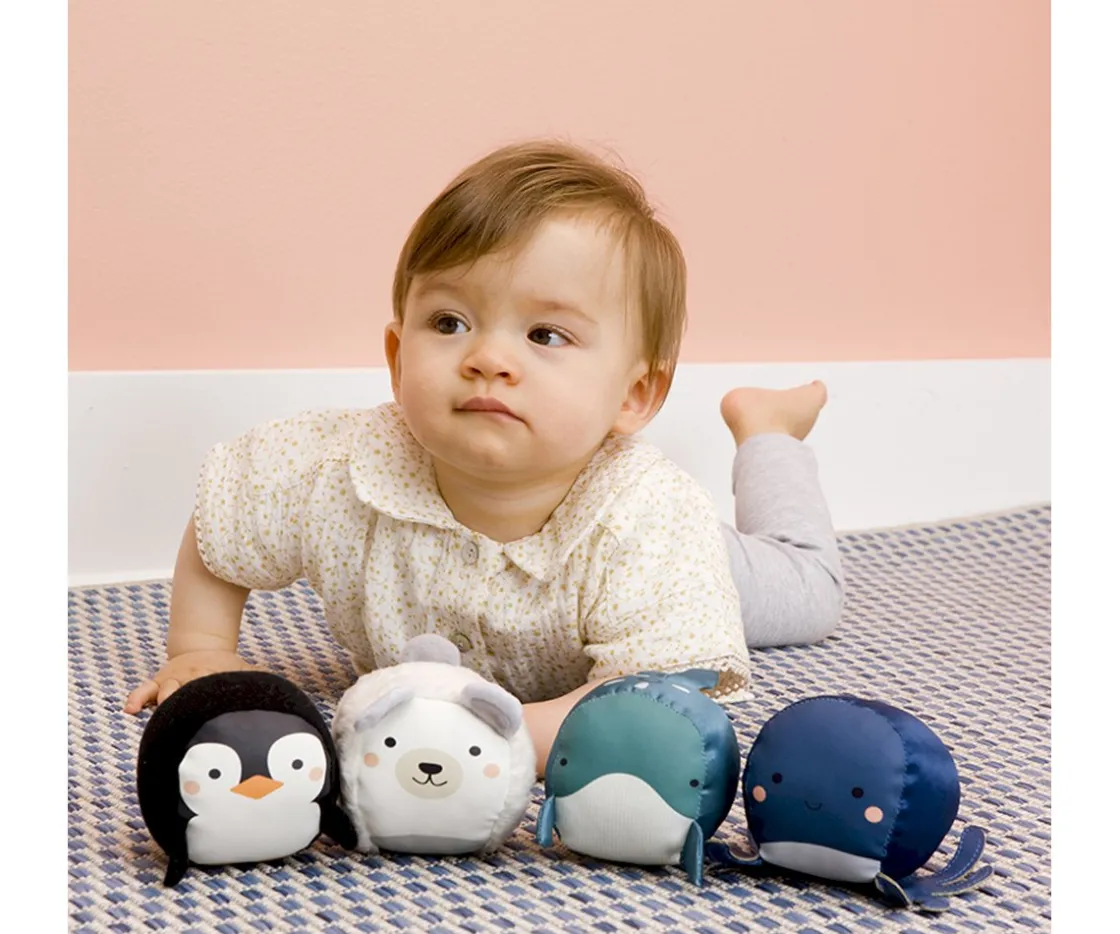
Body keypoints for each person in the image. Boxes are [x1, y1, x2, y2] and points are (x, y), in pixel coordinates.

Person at [124, 140, 843, 775]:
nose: (488, 358)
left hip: (637, 576)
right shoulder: (337, 470)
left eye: (546, 335)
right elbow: (224, 526)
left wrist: (500, 737)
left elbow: (657, 699)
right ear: (397, 357)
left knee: (808, 590)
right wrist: (200, 646)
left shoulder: (655, 524)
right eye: (450, 322)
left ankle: (769, 431)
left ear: (634, 394)